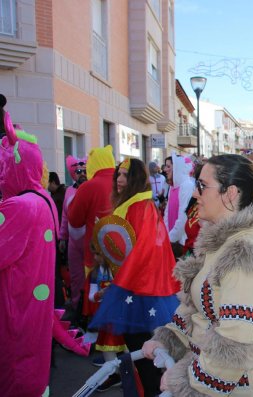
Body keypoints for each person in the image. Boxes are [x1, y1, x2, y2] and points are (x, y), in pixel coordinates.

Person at [142, 154, 253, 396]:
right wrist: (169, 338)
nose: (195, 194)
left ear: (230, 193)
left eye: (202, 186)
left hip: (252, 386)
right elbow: (199, 307)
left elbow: (233, 344)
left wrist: (188, 382)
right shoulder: (222, 242)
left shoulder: (245, 252)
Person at [90, 158, 179, 396]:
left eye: (125, 175)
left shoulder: (140, 207)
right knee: (141, 355)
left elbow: (142, 253)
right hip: (136, 290)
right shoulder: (134, 205)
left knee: (145, 357)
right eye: (118, 174)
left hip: (140, 292)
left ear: (137, 179)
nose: (119, 180)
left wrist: (118, 286)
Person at [0, 114, 58, 396]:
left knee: (15, 374)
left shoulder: (19, 205)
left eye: (3, 166)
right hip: (32, 311)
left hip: (16, 311)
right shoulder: (41, 199)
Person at [68, 145, 115, 277]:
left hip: (96, 254)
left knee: (95, 292)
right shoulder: (124, 182)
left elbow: (74, 221)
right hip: (123, 250)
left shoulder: (88, 187)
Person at [87, 240, 126, 392]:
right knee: (107, 346)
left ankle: (131, 374)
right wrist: (100, 294)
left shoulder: (121, 270)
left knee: (128, 346)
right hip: (106, 316)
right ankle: (114, 374)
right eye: (94, 254)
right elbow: (91, 296)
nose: (96, 257)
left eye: (98, 253)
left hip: (123, 315)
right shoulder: (95, 273)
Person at [58, 155, 88, 321]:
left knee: (91, 276)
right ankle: (77, 306)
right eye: (78, 171)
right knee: (76, 277)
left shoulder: (91, 188)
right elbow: (65, 216)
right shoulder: (69, 191)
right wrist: (62, 238)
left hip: (90, 241)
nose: (81, 173)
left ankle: (89, 309)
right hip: (73, 243)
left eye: (84, 170)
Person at [164, 154, 195, 258]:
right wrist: (166, 234)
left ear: (176, 168)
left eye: (168, 166)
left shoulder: (187, 185)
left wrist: (170, 238)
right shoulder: (173, 186)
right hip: (171, 240)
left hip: (181, 242)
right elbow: (167, 213)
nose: (165, 169)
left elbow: (183, 216)